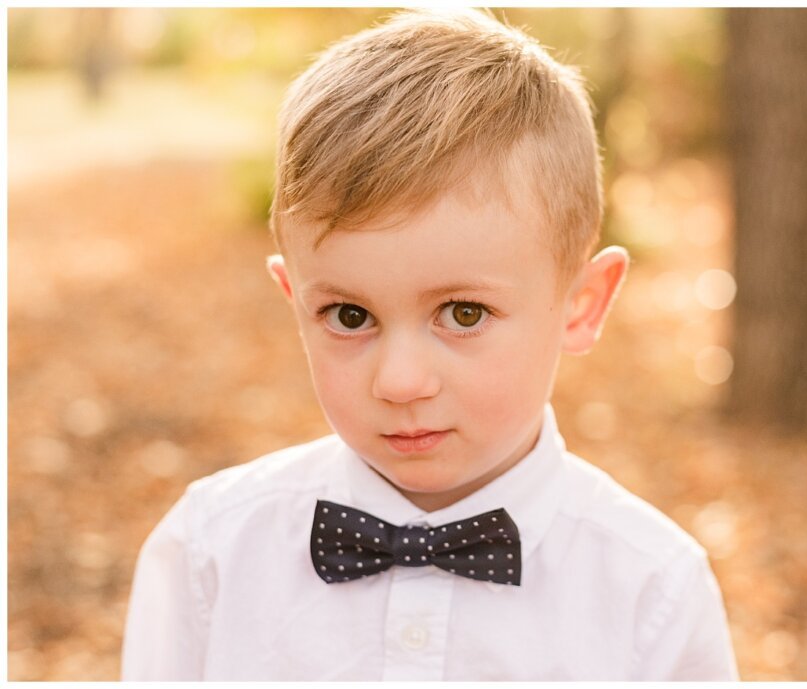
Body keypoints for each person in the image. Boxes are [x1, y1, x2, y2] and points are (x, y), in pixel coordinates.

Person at [121, 8, 738, 681]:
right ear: (294, 300)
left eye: (463, 312)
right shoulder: (209, 552)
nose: (401, 381)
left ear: (581, 305)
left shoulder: (652, 590)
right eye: (350, 315)